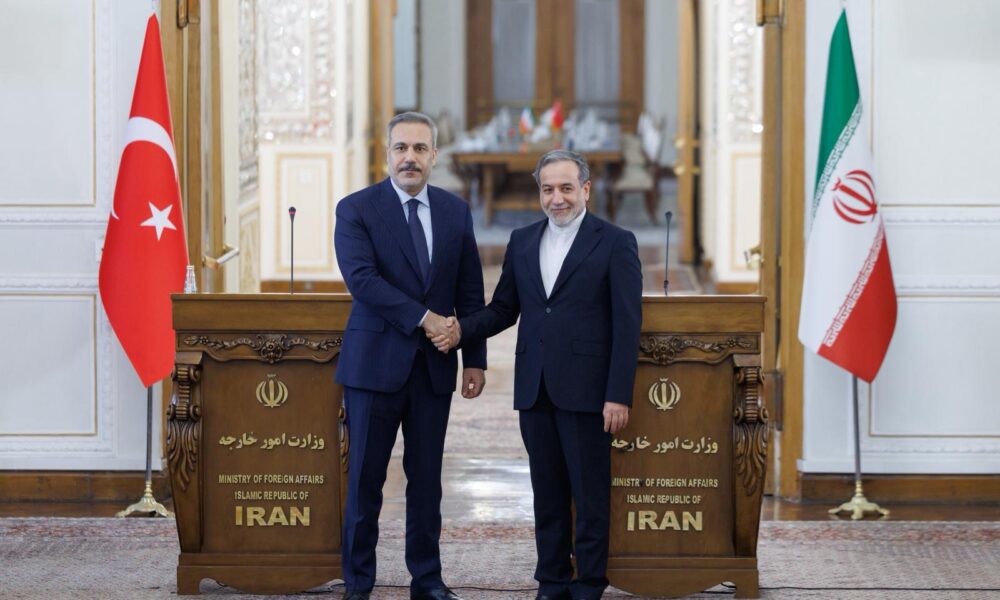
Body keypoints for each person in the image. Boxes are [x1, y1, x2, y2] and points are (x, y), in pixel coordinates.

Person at [431, 149, 642, 600]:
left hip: (589, 391)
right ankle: (551, 580)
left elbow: (628, 325)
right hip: (535, 387)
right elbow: (504, 309)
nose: (557, 198)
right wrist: (461, 331)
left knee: (589, 495)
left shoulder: (615, 241)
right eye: (548, 189)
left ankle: (588, 583)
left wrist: (618, 394)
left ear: (585, 189)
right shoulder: (522, 240)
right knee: (546, 492)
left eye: (566, 188)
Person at [334, 111, 485, 600]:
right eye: (401, 148)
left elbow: (470, 289)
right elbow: (363, 281)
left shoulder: (455, 211)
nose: (410, 158)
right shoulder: (356, 209)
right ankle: (358, 583)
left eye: (420, 148)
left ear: (434, 155)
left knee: (426, 482)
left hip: (433, 369)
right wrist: (426, 319)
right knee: (365, 482)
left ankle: (427, 579)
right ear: (387, 154)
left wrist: (475, 358)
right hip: (373, 367)